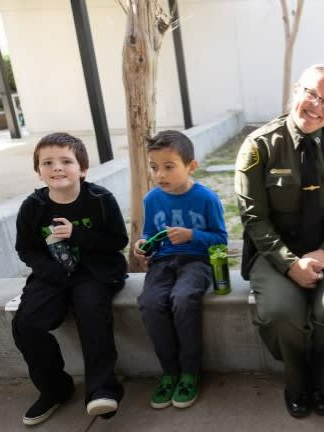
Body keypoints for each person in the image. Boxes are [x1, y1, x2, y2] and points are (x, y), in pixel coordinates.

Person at [235, 64, 324, 418]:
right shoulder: (260, 146)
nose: (317, 105)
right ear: (296, 90)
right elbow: (253, 217)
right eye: (311, 93)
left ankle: (323, 385)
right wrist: (289, 263)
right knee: (281, 313)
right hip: (277, 249)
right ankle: (297, 385)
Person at [13, 133, 127, 425]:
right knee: (26, 323)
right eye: (47, 162)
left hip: (94, 271)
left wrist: (78, 234)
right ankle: (55, 389)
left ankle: (102, 390)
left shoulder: (100, 200)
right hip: (52, 275)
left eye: (66, 161)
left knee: (91, 312)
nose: (57, 167)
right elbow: (25, 248)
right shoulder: (33, 207)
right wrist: (51, 272)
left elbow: (117, 241)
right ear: (38, 171)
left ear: (83, 169)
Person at [134, 130, 228, 410]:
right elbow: (149, 233)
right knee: (150, 303)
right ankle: (169, 372)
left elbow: (221, 239)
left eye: (168, 167)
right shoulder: (152, 199)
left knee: (184, 298)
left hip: (197, 262)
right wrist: (143, 245)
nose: (159, 174)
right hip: (162, 263)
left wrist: (192, 235)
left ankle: (189, 372)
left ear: (191, 166)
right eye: (154, 167)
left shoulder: (206, 198)